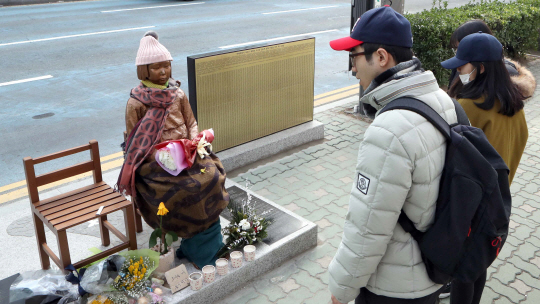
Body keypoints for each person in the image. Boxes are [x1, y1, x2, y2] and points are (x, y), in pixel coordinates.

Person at [327, 6, 457, 304]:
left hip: (392, 287)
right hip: (432, 270)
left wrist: (342, 289)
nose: (352, 68)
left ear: (382, 57)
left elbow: (368, 227)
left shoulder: (389, 130)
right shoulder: (441, 100)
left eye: (355, 56)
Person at [117, 32, 229, 269]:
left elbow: (191, 122)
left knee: (211, 176)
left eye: (166, 66)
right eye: (157, 68)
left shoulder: (177, 93)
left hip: (187, 151)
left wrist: (193, 143)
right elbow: (133, 142)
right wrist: (161, 156)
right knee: (181, 189)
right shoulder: (136, 102)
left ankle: (206, 241)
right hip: (154, 161)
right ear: (144, 71)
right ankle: (190, 238)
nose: (163, 72)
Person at [441, 32, 528, 304]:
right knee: (479, 265)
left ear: (479, 68)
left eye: (462, 65)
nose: (457, 70)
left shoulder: (468, 106)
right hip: (499, 203)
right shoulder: (515, 103)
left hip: (470, 207)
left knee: (463, 272)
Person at [447, 20, 536, 99]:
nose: (457, 53)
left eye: (460, 48)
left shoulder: (507, 72)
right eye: (456, 49)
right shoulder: (462, 67)